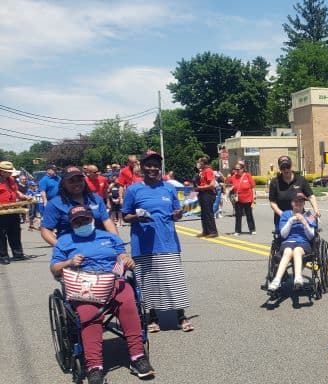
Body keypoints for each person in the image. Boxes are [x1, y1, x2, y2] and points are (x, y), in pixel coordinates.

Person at [50, 205, 155, 384]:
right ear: (72, 224)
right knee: (88, 314)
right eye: (77, 221)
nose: (82, 223)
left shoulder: (108, 236)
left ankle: (137, 356)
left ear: (92, 219)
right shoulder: (64, 241)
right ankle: (94, 367)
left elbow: (121, 256)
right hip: (83, 284)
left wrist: (126, 260)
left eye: (85, 219)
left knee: (128, 303)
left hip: (112, 280)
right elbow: (54, 270)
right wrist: (69, 261)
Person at [121, 151, 194, 333]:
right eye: (149, 165)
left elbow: (176, 212)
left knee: (173, 279)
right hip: (143, 243)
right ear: (142, 168)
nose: (153, 168)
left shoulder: (168, 188)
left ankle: (180, 316)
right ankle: (152, 317)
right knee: (148, 282)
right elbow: (125, 216)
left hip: (168, 242)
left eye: (156, 165)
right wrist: (137, 217)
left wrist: (178, 214)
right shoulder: (133, 190)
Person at [40, 166, 118, 246]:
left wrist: (116, 242)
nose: (76, 183)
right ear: (64, 183)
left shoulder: (95, 199)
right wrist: (61, 247)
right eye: (71, 181)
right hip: (72, 250)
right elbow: (46, 230)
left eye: (79, 180)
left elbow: (107, 221)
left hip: (99, 246)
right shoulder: (54, 204)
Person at [267, 192, 317, 291]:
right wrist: (290, 221)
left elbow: (311, 236)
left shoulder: (309, 215)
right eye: (296, 201)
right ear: (292, 203)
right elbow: (283, 234)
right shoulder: (285, 214)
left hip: (303, 243)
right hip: (287, 242)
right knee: (288, 251)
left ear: (304, 203)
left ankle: (298, 278)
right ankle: (277, 280)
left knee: (297, 250)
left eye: (301, 201)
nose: (298, 203)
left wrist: (305, 223)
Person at [268, 155, 319, 229]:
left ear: (291, 166)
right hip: (282, 217)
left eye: (288, 167)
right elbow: (272, 202)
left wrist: (316, 210)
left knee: (314, 229)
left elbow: (311, 196)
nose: (286, 170)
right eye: (283, 168)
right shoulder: (275, 182)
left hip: (301, 215)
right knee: (282, 238)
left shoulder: (301, 179)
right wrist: (283, 215)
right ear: (279, 168)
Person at [0, 161, 29, 264]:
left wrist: (24, 196)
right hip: (1, 212)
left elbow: (16, 191)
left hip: (13, 209)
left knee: (15, 232)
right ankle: (3, 256)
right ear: (1, 171)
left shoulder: (11, 179)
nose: (10, 173)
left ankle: (18, 254)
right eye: (8, 172)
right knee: (1, 235)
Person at [194, 156, 219, 238]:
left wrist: (200, 187)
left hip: (208, 194)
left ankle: (213, 232)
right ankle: (205, 231)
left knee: (208, 213)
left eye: (199, 162)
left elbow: (212, 185)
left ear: (202, 163)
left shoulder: (208, 170)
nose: (197, 163)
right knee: (204, 214)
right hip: (202, 193)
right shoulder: (202, 171)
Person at [230, 162, 256, 236]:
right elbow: (229, 184)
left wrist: (254, 197)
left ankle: (252, 229)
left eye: (238, 169)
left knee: (249, 215)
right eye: (235, 169)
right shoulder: (233, 177)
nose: (236, 171)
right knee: (238, 215)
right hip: (238, 199)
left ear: (242, 169)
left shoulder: (247, 175)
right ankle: (237, 230)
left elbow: (252, 187)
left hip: (248, 199)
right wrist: (230, 188)